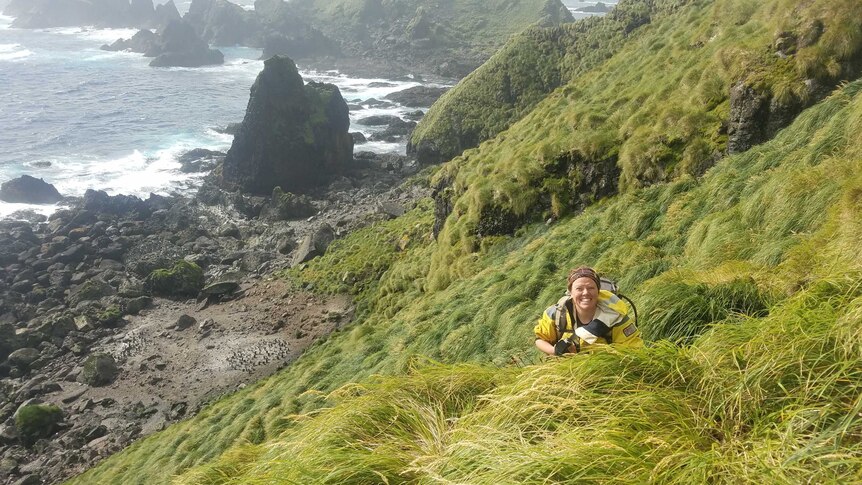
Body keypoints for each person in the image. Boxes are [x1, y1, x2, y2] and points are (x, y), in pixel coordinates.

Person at [534, 266, 642, 356]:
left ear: (598, 291)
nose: (585, 293)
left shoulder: (616, 318)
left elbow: (634, 352)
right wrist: (556, 351)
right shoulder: (556, 314)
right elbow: (540, 339)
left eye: (591, 288)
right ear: (570, 292)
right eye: (579, 289)